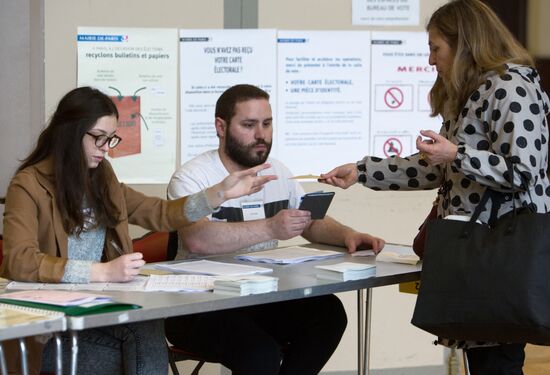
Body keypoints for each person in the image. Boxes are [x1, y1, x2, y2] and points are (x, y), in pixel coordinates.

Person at [320, 0, 550, 374]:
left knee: (498, 363)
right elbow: (435, 170)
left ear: (465, 44)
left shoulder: (511, 88)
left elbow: (524, 172)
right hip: (476, 253)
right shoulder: (471, 90)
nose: (430, 60)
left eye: (435, 48)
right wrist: (363, 172)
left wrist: (457, 154)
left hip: (502, 253)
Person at [1, 86, 276, 375]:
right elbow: (20, 260)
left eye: (111, 139)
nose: (106, 149)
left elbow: (159, 213)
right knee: (138, 349)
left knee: (144, 330)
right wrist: (101, 272)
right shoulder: (28, 185)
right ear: (69, 133)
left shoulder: (101, 176)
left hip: (97, 316)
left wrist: (218, 193)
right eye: (98, 138)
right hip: (49, 329)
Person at [165, 84, 385, 375]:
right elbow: (198, 240)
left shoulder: (277, 171)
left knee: (328, 315)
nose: (261, 135)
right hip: (198, 306)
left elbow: (310, 220)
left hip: (259, 297)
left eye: (267, 124)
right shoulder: (192, 177)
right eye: (249, 125)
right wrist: (271, 227)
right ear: (221, 126)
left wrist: (348, 235)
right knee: (259, 354)